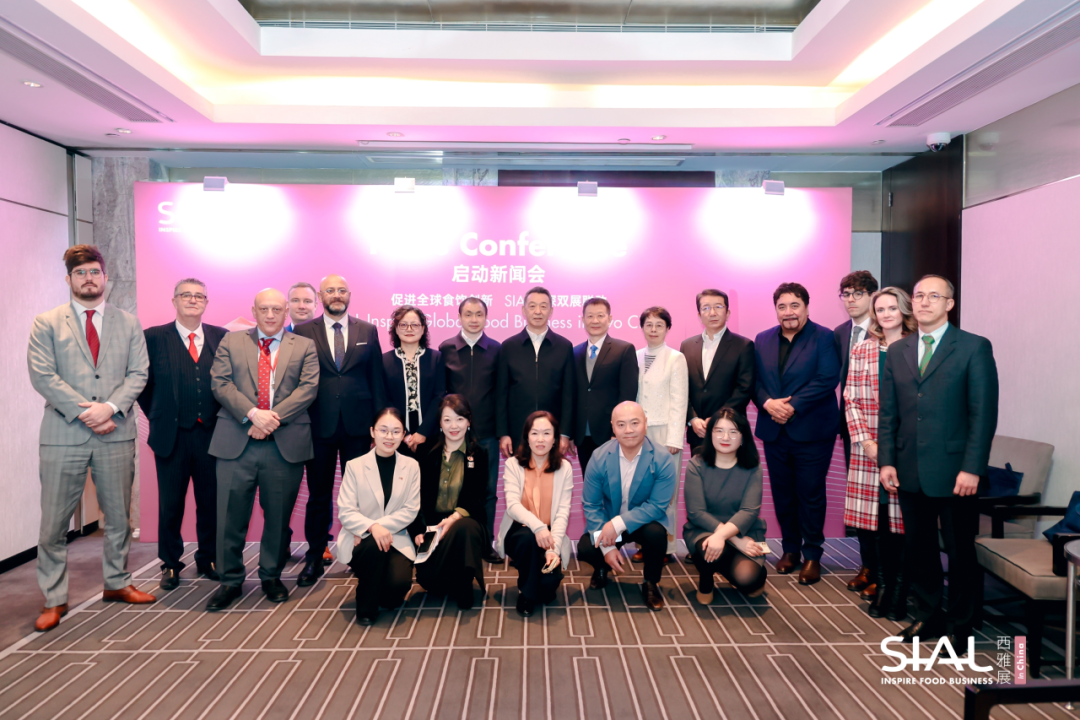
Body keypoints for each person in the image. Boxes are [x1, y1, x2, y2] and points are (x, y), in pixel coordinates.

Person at [28, 245, 153, 631]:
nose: (88, 278)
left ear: (105, 278)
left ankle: (117, 583)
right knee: (53, 525)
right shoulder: (47, 322)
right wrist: (89, 413)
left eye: (94, 272)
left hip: (116, 434)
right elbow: (43, 376)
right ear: (69, 279)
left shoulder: (128, 323)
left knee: (118, 518)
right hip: (63, 435)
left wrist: (110, 408)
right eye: (80, 273)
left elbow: (139, 373)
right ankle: (54, 598)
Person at [878, 275, 998, 643]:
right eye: (919, 296)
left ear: (949, 304)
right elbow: (888, 412)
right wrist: (886, 461)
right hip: (908, 468)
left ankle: (960, 626)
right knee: (920, 549)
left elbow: (983, 414)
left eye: (934, 296)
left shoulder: (973, 347)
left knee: (960, 553)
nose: (925, 302)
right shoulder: (897, 350)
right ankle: (927, 615)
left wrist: (972, 467)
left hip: (956, 472)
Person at [205, 288, 319, 611]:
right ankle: (230, 580)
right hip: (236, 442)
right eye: (264, 309)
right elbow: (220, 383)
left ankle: (271, 576)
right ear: (253, 311)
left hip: (284, 445)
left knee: (278, 518)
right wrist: (253, 414)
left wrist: (270, 419)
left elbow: (308, 389)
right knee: (229, 517)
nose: (270, 315)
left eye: (276, 309)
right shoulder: (231, 341)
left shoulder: (304, 346)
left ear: (286, 312)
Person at [291, 274, 387, 586]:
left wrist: (378, 425)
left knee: (358, 495)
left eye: (342, 290)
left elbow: (376, 378)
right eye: (330, 290)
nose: (336, 295)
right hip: (318, 425)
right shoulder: (303, 331)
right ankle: (315, 556)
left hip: (358, 426)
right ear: (321, 296)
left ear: (349, 295)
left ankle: (360, 555)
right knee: (318, 495)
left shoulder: (367, 330)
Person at [138, 278, 227, 590]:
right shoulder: (152, 337)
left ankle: (208, 558)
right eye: (186, 295)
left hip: (212, 436)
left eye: (199, 296)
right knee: (171, 504)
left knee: (210, 502)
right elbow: (142, 385)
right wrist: (159, 414)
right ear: (174, 300)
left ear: (206, 302)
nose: (192, 300)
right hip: (171, 437)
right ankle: (171, 563)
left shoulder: (221, 337)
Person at [753, 282, 840, 586]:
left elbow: (827, 378)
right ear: (775, 310)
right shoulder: (763, 339)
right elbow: (755, 381)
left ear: (806, 306)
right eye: (782, 306)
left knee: (810, 493)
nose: (788, 312)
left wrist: (792, 406)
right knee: (783, 494)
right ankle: (790, 549)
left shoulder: (824, 337)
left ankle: (812, 554)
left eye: (794, 305)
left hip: (812, 430)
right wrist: (767, 403)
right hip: (774, 430)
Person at [844, 287, 914, 620]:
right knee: (880, 522)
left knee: (903, 524)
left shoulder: (918, 347)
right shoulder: (863, 349)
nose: (886, 314)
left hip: (908, 450)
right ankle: (883, 587)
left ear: (905, 311)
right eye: (880, 309)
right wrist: (867, 442)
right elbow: (851, 399)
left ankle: (899, 592)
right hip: (869, 449)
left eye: (892, 308)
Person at [577, 401, 677, 611]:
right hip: (608, 523)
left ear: (645, 424)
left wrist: (618, 523)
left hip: (643, 523)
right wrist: (607, 547)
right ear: (613, 427)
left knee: (657, 534)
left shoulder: (663, 459)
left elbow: (657, 506)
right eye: (621, 424)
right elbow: (591, 504)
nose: (628, 430)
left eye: (635, 423)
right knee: (586, 547)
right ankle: (602, 568)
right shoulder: (599, 456)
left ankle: (651, 583)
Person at [335, 407, 420, 625]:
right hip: (361, 539)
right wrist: (371, 529)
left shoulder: (411, 466)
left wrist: (375, 526)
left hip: (396, 538)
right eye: (383, 430)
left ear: (403, 435)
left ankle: (377, 584)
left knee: (395, 593)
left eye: (396, 431)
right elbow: (346, 510)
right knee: (373, 547)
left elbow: (410, 510)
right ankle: (365, 605)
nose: (389, 437)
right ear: (372, 432)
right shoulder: (355, 466)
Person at [409, 395, 490, 609]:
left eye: (460, 419)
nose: (454, 426)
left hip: (464, 520)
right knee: (429, 581)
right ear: (440, 423)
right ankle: (450, 576)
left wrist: (454, 517)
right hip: (432, 526)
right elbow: (414, 496)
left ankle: (464, 584)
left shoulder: (479, 453)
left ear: (469, 421)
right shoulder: (426, 452)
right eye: (447, 420)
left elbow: (477, 496)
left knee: (464, 528)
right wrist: (419, 529)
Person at [440, 297, 503, 564]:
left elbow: (501, 392)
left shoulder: (497, 349)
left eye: (479, 314)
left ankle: (485, 543)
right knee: (453, 489)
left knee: (487, 491)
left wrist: (502, 431)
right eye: (468, 314)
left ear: (486, 317)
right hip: (454, 434)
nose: (474, 319)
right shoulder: (446, 348)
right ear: (459, 317)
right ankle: (451, 541)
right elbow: (441, 393)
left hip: (487, 433)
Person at [684, 409, 768, 601]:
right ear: (710, 434)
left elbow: (749, 511)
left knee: (748, 579)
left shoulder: (753, 466)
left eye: (733, 432)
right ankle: (706, 580)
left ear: (743, 437)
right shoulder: (696, 464)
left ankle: (751, 572)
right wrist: (733, 539)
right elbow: (696, 512)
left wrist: (727, 536)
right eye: (719, 431)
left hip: (744, 530)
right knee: (710, 546)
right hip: (704, 530)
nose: (725, 437)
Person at [497, 411, 574, 617]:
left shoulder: (565, 468)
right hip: (520, 530)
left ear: (555, 439)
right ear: (527, 437)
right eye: (534, 433)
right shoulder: (513, 465)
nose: (540, 439)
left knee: (549, 586)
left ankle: (539, 585)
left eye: (547, 433)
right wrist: (538, 527)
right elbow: (513, 505)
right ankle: (526, 594)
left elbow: (563, 512)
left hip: (550, 533)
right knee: (528, 540)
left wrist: (553, 549)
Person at [496, 286, 575, 457]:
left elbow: (569, 394)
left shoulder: (564, 346)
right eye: (532, 306)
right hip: (518, 431)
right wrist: (503, 433)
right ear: (523, 310)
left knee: (551, 473)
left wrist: (565, 433)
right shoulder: (509, 346)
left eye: (543, 306)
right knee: (520, 473)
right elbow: (501, 393)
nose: (538, 311)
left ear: (551, 311)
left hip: (553, 432)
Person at [635, 306, 688, 560]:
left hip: (665, 432)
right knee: (640, 491)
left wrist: (675, 438)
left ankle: (665, 547)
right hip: (637, 434)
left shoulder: (675, 358)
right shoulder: (634, 356)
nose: (653, 330)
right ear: (642, 328)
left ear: (668, 328)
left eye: (659, 325)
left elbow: (679, 400)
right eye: (649, 325)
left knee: (665, 492)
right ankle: (643, 544)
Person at [680, 289, 755, 455]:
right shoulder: (687, 346)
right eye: (706, 308)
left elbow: (744, 389)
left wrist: (718, 418)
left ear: (727, 313)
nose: (712, 313)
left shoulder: (743, 345)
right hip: (698, 431)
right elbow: (682, 388)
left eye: (718, 307)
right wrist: (692, 418)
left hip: (730, 430)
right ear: (699, 315)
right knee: (699, 472)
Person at [572, 297, 638, 474]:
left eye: (600, 316)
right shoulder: (574, 352)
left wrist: (619, 430)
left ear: (609, 319)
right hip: (582, 433)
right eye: (590, 316)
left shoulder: (623, 350)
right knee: (589, 481)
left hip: (609, 432)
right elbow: (572, 394)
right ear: (583, 320)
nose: (595, 320)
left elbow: (628, 394)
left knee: (612, 482)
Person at [382, 305, 446, 455]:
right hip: (395, 434)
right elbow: (384, 399)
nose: (409, 329)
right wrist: (404, 433)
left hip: (430, 433)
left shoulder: (436, 358)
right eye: (403, 325)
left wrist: (423, 432)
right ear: (396, 329)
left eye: (415, 325)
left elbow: (439, 396)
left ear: (423, 329)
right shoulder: (384, 360)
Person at [834, 271, 879, 468]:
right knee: (854, 480)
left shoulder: (885, 329)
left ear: (873, 296)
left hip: (879, 421)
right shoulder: (840, 332)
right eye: (846, 294)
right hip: (850, 421)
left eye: (858, 293)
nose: (851, 299)